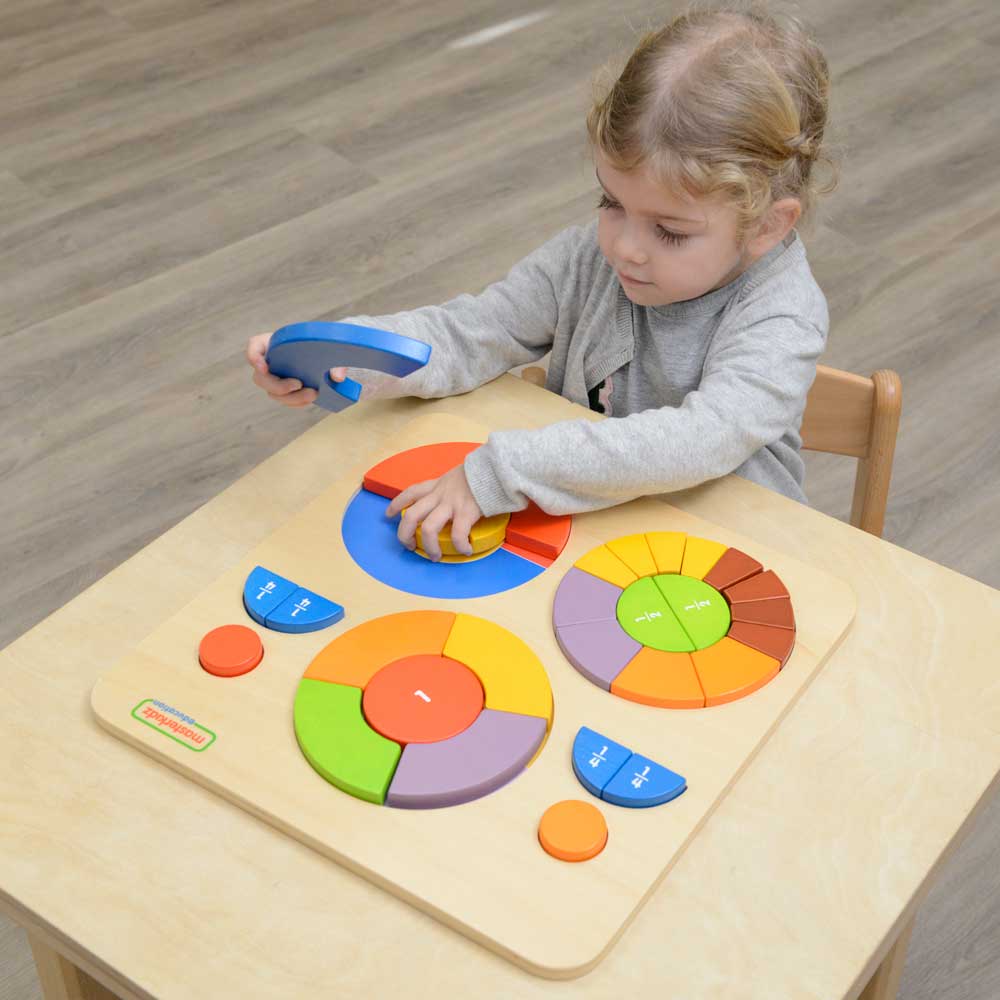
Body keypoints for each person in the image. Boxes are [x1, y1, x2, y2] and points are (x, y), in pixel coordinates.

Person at [247, 3, 837, 562]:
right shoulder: (588, 258)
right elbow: (474, 331)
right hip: (591, 530)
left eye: (670, 232)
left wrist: (501, 471)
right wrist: (349, 355)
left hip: (733, 557)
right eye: (612, 202)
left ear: (765, 224)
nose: (624, 248)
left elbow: (701, 440)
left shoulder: (781, 313)